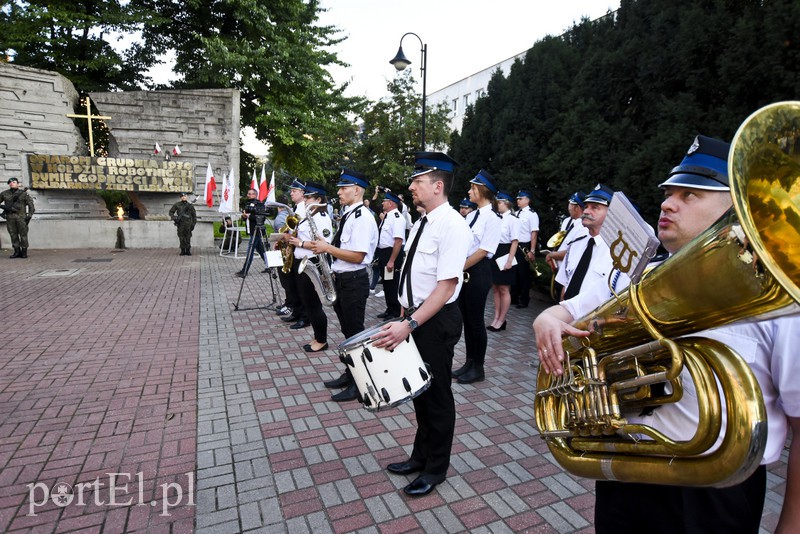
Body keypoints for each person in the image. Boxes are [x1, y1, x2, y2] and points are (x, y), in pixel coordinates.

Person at [533, 135, 800, 534]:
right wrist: (548, 319)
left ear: (738, 206)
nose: (666, 203)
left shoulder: (781, 301)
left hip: (711, 490)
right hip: (627, 470)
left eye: (690, 195)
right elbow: (573, 307)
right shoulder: (639, 271)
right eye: (668, 192)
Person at [372, 151, 471, 497]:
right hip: (414, 316)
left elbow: (446, 286)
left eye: (418, 181)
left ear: (437, 185)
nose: (411, 186)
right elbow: (413, 272)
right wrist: (402, 312)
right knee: (419, 393)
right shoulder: (422, 221)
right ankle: (419, 457)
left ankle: (435, 468)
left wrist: (409, 324)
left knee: (437, 397)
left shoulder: (453, 225)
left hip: (434, 320)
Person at [308, 169, 378, 402]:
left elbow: (358, 256)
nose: (338, 192)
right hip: (344, 280)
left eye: (343, 188)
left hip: (354, 281)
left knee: (355, 334)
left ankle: (360, 384)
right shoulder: (350, 214)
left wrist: (327, 248)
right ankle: (350, 374)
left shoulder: (363, 218)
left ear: (357, 190)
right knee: (348, 333)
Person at [453, 169, 501, 384]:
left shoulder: (493, 218)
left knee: (475, 321)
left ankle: (478, 367)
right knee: (466, 320)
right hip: (465, 271)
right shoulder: (472, 215)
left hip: (478, 271)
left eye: (473, 188)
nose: (469, 191)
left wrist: (458, 268)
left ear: (483, 191)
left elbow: (483, 251)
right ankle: (469, 362)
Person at [286, 181, 333, 351]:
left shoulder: (322, 218)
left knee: (313, 304)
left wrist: (300, 243)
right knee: (308, 303)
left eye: (309, 197)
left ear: (319, 199)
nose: (305, 200)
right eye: (305, 197)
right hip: (302, 262)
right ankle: (317, 336)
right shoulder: (308, 216)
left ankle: (322, 340)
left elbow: (324, 243)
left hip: (312, 262)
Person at [554, 184, 613, 300]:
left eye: (595, 207)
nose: (586, 211)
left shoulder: (616, 252)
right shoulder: (576, 242)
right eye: (586, 206)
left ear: (610, 213)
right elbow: (566, 284)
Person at [278, 180, 309, 329]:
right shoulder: (296, 208)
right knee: (294, 286)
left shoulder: (305, 209)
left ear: (303, 193)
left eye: (294, 191)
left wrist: (289, 237)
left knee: (302, 289)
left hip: (303, 252)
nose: (291, 193)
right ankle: (297, 313)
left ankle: (305, 316)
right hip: (295, 250)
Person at [487, 191, 519, 331]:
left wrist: (509, 260)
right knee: (495, 288)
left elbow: (515, 241)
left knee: (504, 289)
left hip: (505, 252)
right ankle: (496, 318)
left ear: (506, 203)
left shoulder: (513, 219)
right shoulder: (496, 217)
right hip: (495, 251)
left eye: (499, 202)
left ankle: (502, 319)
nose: (497, 205)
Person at [374, 190, 406, 319]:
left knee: (392, 284)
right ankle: (389, 308)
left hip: (391, 253)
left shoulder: (398, 218)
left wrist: (391, 260)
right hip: (383, 253)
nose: (382, 203)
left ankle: (395, 311)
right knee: (386, 284)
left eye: (384, 201)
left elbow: (398, 241)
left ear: (391, 203)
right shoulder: (388, 216)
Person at [511, 189, 539, 308]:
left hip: (524, 245)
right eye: (517, 198)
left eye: (520, 198)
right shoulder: (517, 213)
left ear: (527, 200)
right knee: (514, 272)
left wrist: (532, 251)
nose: (518, 200)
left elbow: (534, 233)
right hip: (515, 245)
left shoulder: (532, 214)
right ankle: (514, 297)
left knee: (523, 274)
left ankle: (524, 300)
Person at [0, 177, 35, 258]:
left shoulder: (23, 194)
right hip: (10, 217)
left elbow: (31, 206)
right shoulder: (4, 193)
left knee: (23, 235)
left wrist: (29, 216)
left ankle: (24, 251)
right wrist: (3, 207)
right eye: (10, 182)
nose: (12, 183)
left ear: (18, 184)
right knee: (13, 235)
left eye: (14, 182)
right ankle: (16, 251)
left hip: (21, 217)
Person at [236, 189, 267, 277]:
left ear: (255, 195)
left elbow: (262, 218)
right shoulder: (248, 205)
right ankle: (270, 266)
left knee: (250, 251)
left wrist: (249, 216)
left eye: (251, 194)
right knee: (260, 250)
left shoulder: (260, 204)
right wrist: (244, 216)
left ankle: (244, 270)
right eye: (248, 193)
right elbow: (245, 218)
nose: (248, 195)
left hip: (257, 231)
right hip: (251, 230)